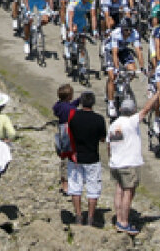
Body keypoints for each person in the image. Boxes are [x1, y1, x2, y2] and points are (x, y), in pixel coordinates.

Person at [107, 90, 160, 235]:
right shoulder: (131, 121)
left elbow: (109, 145)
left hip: (115, 163)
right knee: (128, 192)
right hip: (129, 163)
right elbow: (147, 108)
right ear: (133, 111)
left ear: (120, 110)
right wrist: (157, 93)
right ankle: (124, 222)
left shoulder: (113, 125)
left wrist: (111, 159)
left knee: (119, 190)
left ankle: (119, 219)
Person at [67, 91, 108, 226]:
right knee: (93, 189)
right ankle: (90, 217)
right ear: (93, 103)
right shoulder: (99, 119)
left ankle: (78, 215)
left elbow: (69, 134)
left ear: (81, 102)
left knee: (75, 187)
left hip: (76, 157)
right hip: (92, 157)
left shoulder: (74, 117)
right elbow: (103, 138)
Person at [53, 84, 79, 193]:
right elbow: (72, 110)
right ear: (69, 96)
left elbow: (68, 106)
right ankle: (70, 184)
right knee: (71, 157)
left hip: (61, 131)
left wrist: (77, 101)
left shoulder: (58, 106)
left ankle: (64, 183)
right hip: (69, 132)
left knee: (63, 158)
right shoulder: (71, 109)